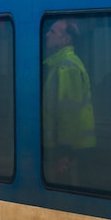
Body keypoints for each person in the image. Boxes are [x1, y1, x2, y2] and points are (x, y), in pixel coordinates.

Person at [41, 19, 96, 188]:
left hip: (72, 150)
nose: (47, 35)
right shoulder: (59, 65)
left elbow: (69, 114)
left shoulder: (67, 66)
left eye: (53, 32)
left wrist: (64, 153)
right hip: (71, 147)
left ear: (66, 40)